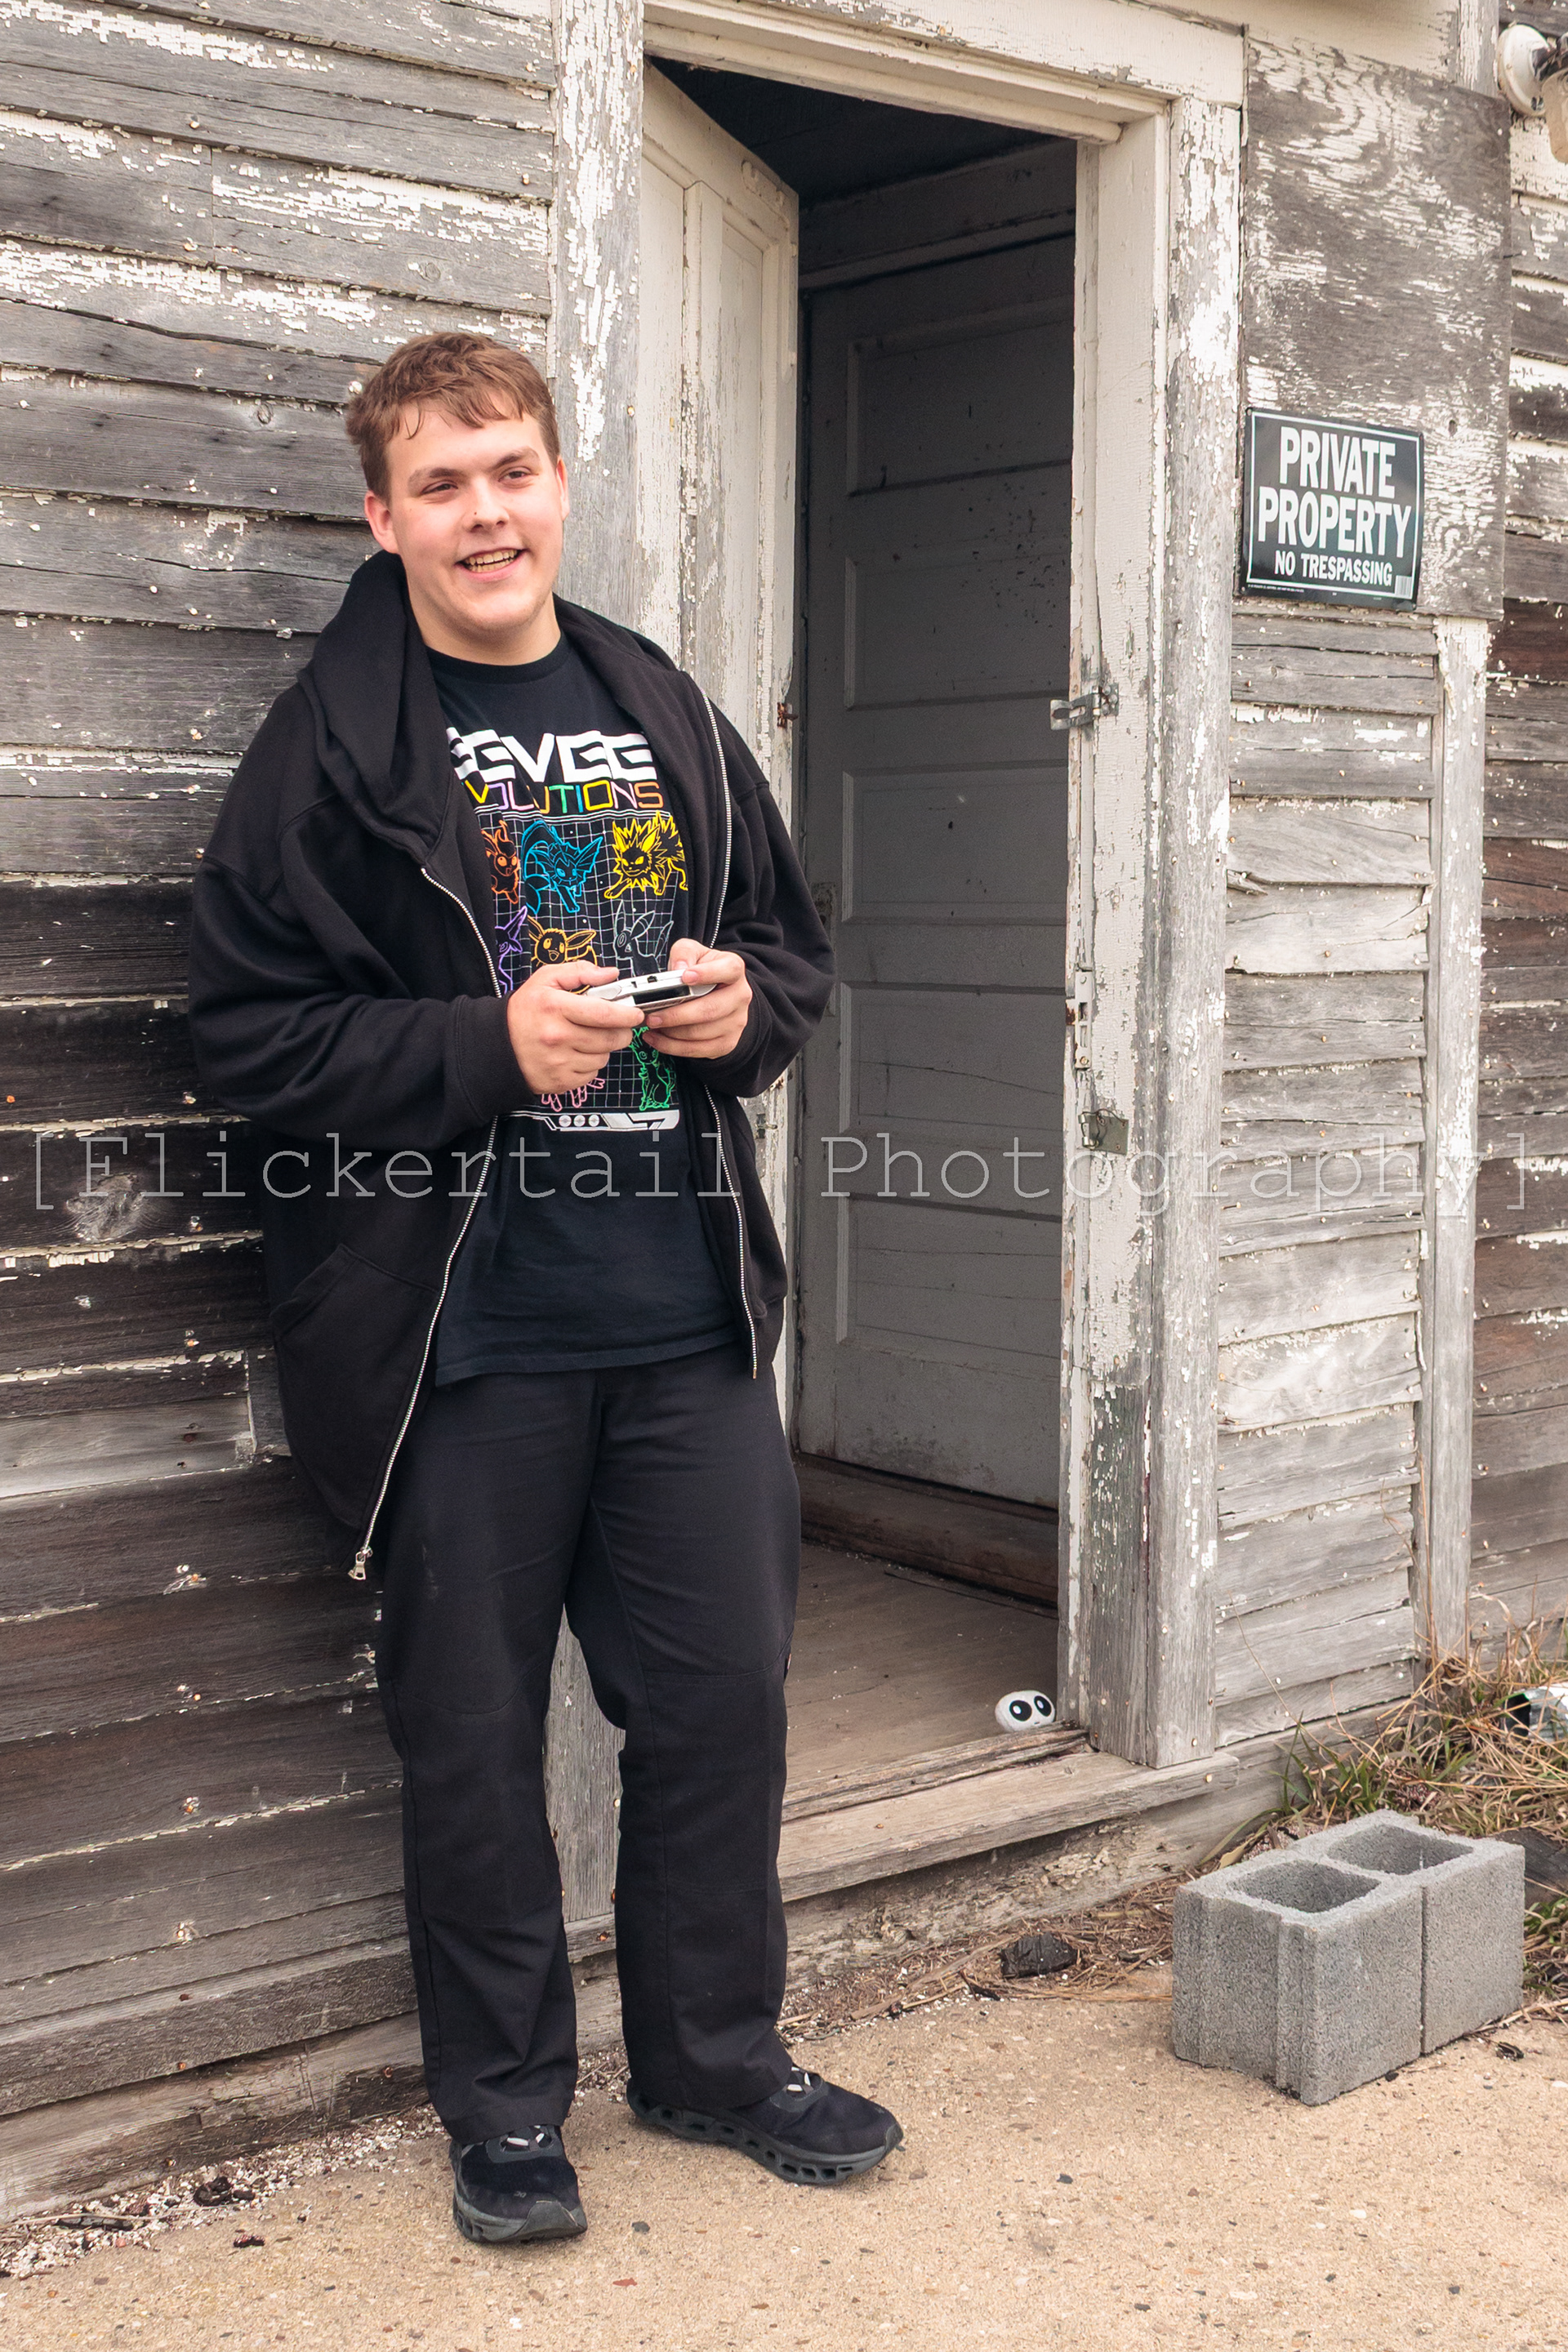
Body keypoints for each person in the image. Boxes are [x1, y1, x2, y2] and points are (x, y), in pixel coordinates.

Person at [187, 333, 903, 2247]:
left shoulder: (658, 701)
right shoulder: (333, 748)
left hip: (683, 1316)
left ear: (560, 482)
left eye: (510, 471)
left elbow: (788, 954)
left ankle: (714, 2060)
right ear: (383, 517)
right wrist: (483, 1048)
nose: (485, 513)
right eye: (441, 484)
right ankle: (506, 2113)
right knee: (476, 1747)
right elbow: (245, 1037)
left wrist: (752, 1015)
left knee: (721, 1711)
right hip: (460, 1342)